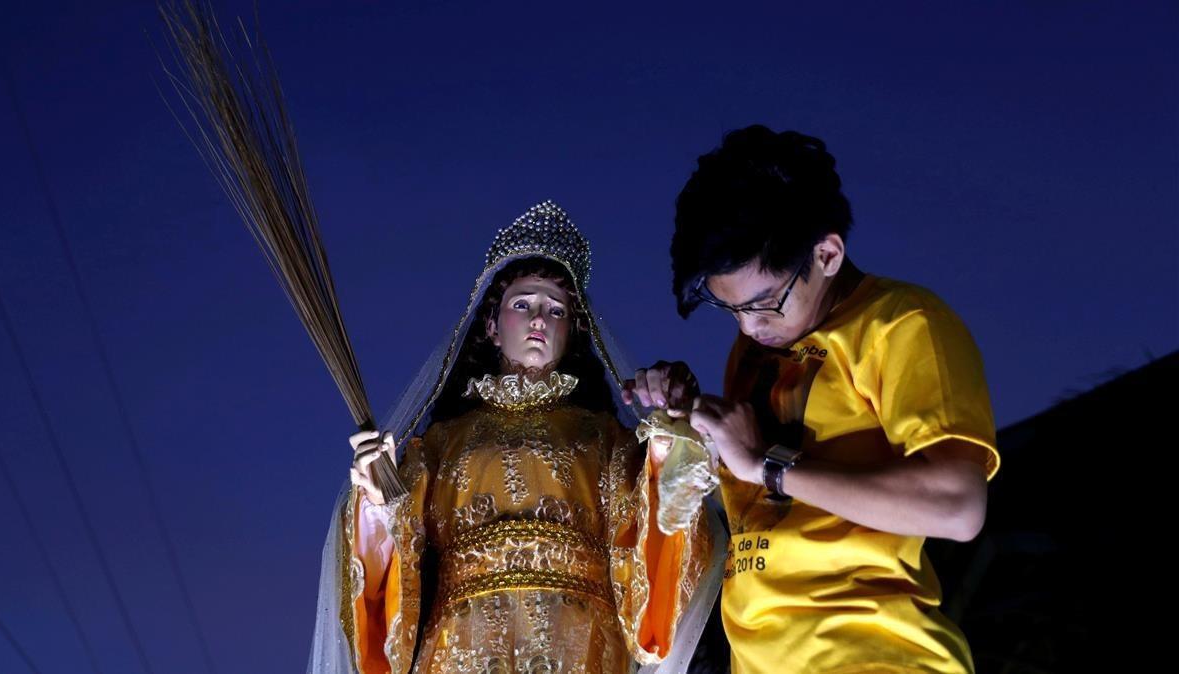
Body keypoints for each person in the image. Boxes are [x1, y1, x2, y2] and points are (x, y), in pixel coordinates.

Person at [625, 127, 1001, 674]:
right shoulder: (755, 352)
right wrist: (687, 418)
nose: (750, 328)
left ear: (826, 253)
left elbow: (959, 506)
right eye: (729, 310)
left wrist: (766, 465)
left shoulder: (900, 324)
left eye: (763, 304)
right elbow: (753, 492)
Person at [308, 201, 722, 674]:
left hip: (580, 645)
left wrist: (669, 445)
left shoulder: (605, 439)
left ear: (574, 332)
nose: (539, 319)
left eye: (556, 309)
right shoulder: (442, 444)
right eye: (522, 304)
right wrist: (378, 507)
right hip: (461, 644)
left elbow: (651, 543)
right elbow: (398, 566)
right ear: (491, 325)